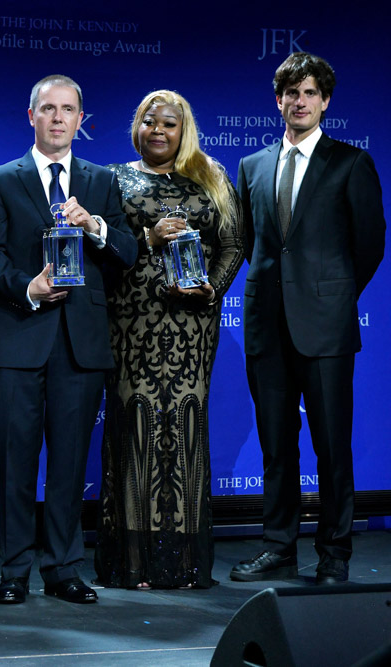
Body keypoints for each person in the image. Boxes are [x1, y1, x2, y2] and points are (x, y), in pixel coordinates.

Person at [0, 74, 137, 605]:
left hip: (80, 344)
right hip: (20, 336)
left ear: (81, 120)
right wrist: (30, 287)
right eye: (49, 109)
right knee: (17, 464)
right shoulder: (0, 180)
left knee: (68, 466)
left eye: (69, 110)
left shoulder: (101, 182)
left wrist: (96, 228)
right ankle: (15, 570)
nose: (59, 118)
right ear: (32, 116)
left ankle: (64, 567)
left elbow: (128, 253)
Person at [231, 52, 385, 585]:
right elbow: (249, 244)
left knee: (331, 445)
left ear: (325, 102)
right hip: (266, 326)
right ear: (278, 101)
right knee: (276, 443)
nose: (300, 101)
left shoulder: (350, 163)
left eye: (311, 93)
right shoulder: (251, 166)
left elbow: (369, 246)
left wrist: (329, 295)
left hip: (325, 327)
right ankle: (278, 548)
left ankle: (334, 554)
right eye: (291, 93)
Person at [94, 90, 244, 590]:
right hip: (132, 321)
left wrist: (213, 289)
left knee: (183, 428)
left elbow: (233, 243)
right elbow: (106, 249)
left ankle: (182, 563)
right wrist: (147, 240)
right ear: (136, 127)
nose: (158, 130)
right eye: (149, 122)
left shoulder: (212, 177)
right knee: (134, 429)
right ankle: (132, 564)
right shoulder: (111, 179)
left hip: (193, 324)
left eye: (169, 124)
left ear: (184, 131)